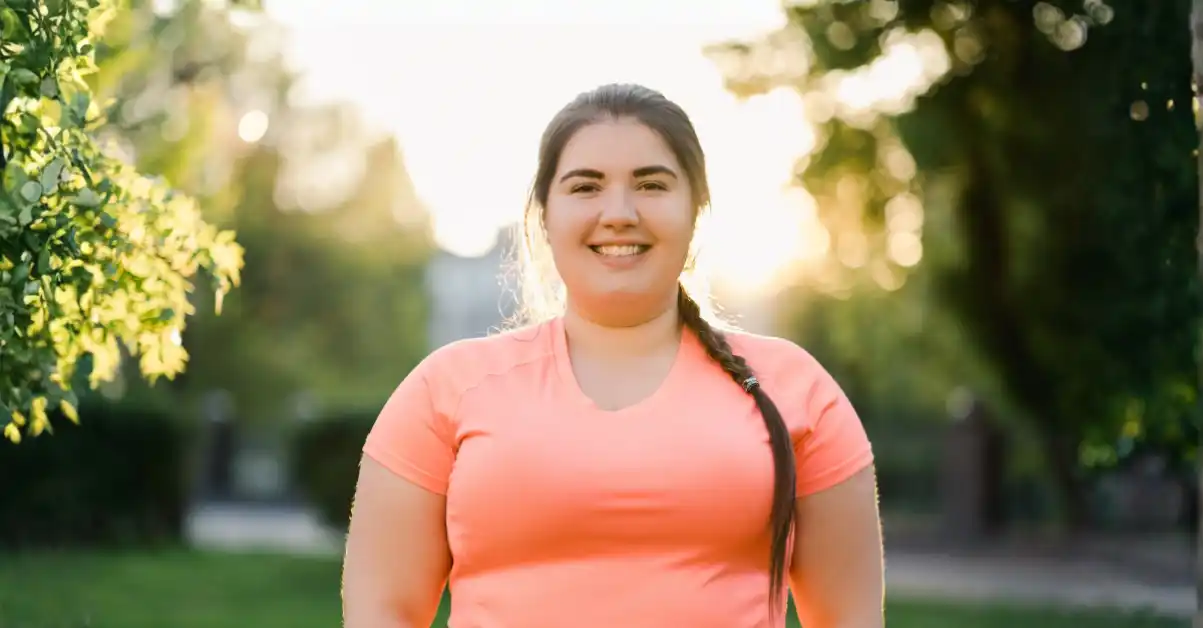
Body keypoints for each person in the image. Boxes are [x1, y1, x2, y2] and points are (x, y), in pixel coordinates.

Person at [342, 83, 884, 628]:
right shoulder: (446, 389)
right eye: (586, 187)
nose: (619, 212)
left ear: (696, 212)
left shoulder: (796, 390)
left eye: (651, 184)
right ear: (545, 216)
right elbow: (382, 611)